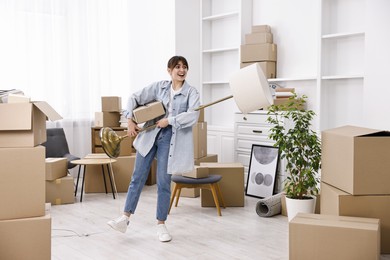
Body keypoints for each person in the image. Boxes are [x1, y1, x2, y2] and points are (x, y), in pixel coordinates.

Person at [107, 56, 200, 242]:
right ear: (169, 70)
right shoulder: (159, 87)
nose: (181, 70)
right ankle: (124, 218)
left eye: (184, 67)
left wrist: (170, 121)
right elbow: (134, 97)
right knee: (137, 178)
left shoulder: (192, 92)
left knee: (164, 182)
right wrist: (130, 120)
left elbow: (193, 116)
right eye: (177, 67)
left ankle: (161, 225)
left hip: (171, 139)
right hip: (150, 135)